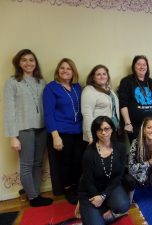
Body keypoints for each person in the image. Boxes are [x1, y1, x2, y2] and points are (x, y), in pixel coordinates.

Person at [3, 49, 53, 207]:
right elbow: (9, 111)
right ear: (18, 63)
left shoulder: (41, 81)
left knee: (38, 163)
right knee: (26, 164)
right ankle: (33, 198)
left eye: (31, 60)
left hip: (42, 128)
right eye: (24, 60)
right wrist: (12, 136)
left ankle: (35, 193)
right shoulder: (12, 82)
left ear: (35, 62)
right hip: (24, 129)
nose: (28, 63)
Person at [43, 58, 86, 203]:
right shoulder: (51, 88)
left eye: (68, 68)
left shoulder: (77, 87)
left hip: (78, 131)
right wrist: (55, 136)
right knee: (65, 163)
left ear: (73, 71)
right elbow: (48, 113)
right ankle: (68, 189)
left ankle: (77, 187)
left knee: (78, 161)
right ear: (57, 71)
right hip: (61, 132)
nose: (65, 71)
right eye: (62, 68)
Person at [78, 116, 130, 225]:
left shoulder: (120, 147)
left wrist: (103, 196)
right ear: (95, 132)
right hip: (90, 191)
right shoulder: (89, 152)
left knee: (123, 205)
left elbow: (119, 176)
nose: (103, 132)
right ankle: (86, 207)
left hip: (109, 187)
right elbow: (87, 180)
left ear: (112, 129)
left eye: (107, 128)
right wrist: (97, 197)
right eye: (99, 129)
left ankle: (103, 207)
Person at [118, 55, 152, 143]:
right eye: (139, 64)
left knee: (150, 148)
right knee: (137, 150)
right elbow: (123, 104)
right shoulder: (126, 81)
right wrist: (127, 123)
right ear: (134, 66)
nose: (142, 66)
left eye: (144, 64)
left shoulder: (151, 82)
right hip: (134, 125)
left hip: (150, 125)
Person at [81, 65, 120, 144]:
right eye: (98, 74)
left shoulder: (110, 91)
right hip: (98, 134)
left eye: (104, 74)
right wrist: (91, 137)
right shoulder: (89, 90)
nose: (102, 76)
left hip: (111, 132)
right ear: (93, 77)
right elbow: (87, 114)